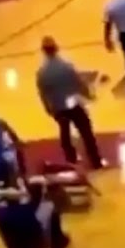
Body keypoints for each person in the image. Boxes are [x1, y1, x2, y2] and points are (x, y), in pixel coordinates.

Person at [35, 36, 104, 169]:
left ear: (43, 51)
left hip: (58, 107)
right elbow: (79, 84)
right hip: (73, 104)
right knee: (86, 132)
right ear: (56, 48)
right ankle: (96, 161)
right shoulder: (67, 66)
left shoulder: (42, 73)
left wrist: (48, 108)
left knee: (65, 134)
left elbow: (43, 93)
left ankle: (70, 161)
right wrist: (89, 95)